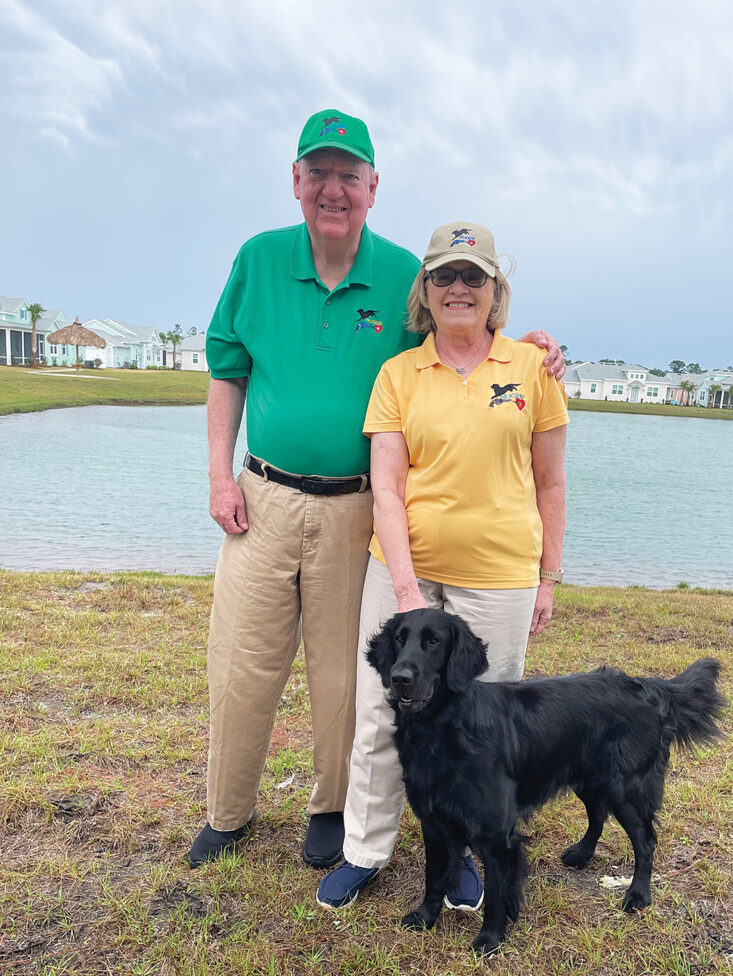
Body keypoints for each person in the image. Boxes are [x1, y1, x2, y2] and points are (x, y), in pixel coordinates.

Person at [188, 111, 566, 871]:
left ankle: (331, 811)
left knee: (343, 676)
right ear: (296, 180)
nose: (333, 189)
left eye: (348, 175)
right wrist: (219, 474)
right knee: (241, 662)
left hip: (355, 504)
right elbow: (227, 372)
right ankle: (228, 811)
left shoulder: (400, 271)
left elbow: (461, 335)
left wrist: (528, 348)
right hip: (261, 497)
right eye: (318, 172)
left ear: (372, 187)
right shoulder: (258, 259)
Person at [317, 222, 568, 910]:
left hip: (502, 576)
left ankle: (463, 854)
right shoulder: (399, 373)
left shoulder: (531, 369)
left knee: (481, 725)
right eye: (444, 277)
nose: (459, 288)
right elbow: (388, 486)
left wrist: (547, 577)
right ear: (424, 292)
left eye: (473, 276)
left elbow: (550, 484)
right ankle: (365, 850)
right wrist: (404, 586)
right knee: (381, 713)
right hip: (406, 569)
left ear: (495, 291)